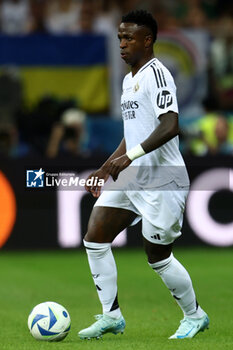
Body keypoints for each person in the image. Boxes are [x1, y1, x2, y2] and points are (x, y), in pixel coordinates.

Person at [78, 10, 209, 340]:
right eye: (120, 37)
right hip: (135, 175)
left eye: (129, 38)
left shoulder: (158, 75)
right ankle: (111, 316)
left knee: (157, 257)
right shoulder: (128, 80)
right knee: (95, 237)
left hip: (164, 179)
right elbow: (132, 133)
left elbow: (170, 125)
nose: (122, 43)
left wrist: (130, 157)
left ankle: (194, 315)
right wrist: (108, 166)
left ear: (147, 41)